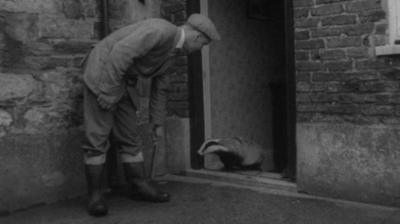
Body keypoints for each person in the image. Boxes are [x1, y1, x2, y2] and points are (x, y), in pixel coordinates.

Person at [81, 14, 220, 217]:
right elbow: (120, 53)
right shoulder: (161, 31)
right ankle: (95, 196)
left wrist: (157, 123)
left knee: (130, 135)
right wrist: (109, 92)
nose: (200, 50)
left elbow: (160, 89)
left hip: (124, 80)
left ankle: (139, 186)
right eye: (204, 45)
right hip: (103, 73)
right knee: (97, 136)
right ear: (197, 37)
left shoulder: (173, 52)